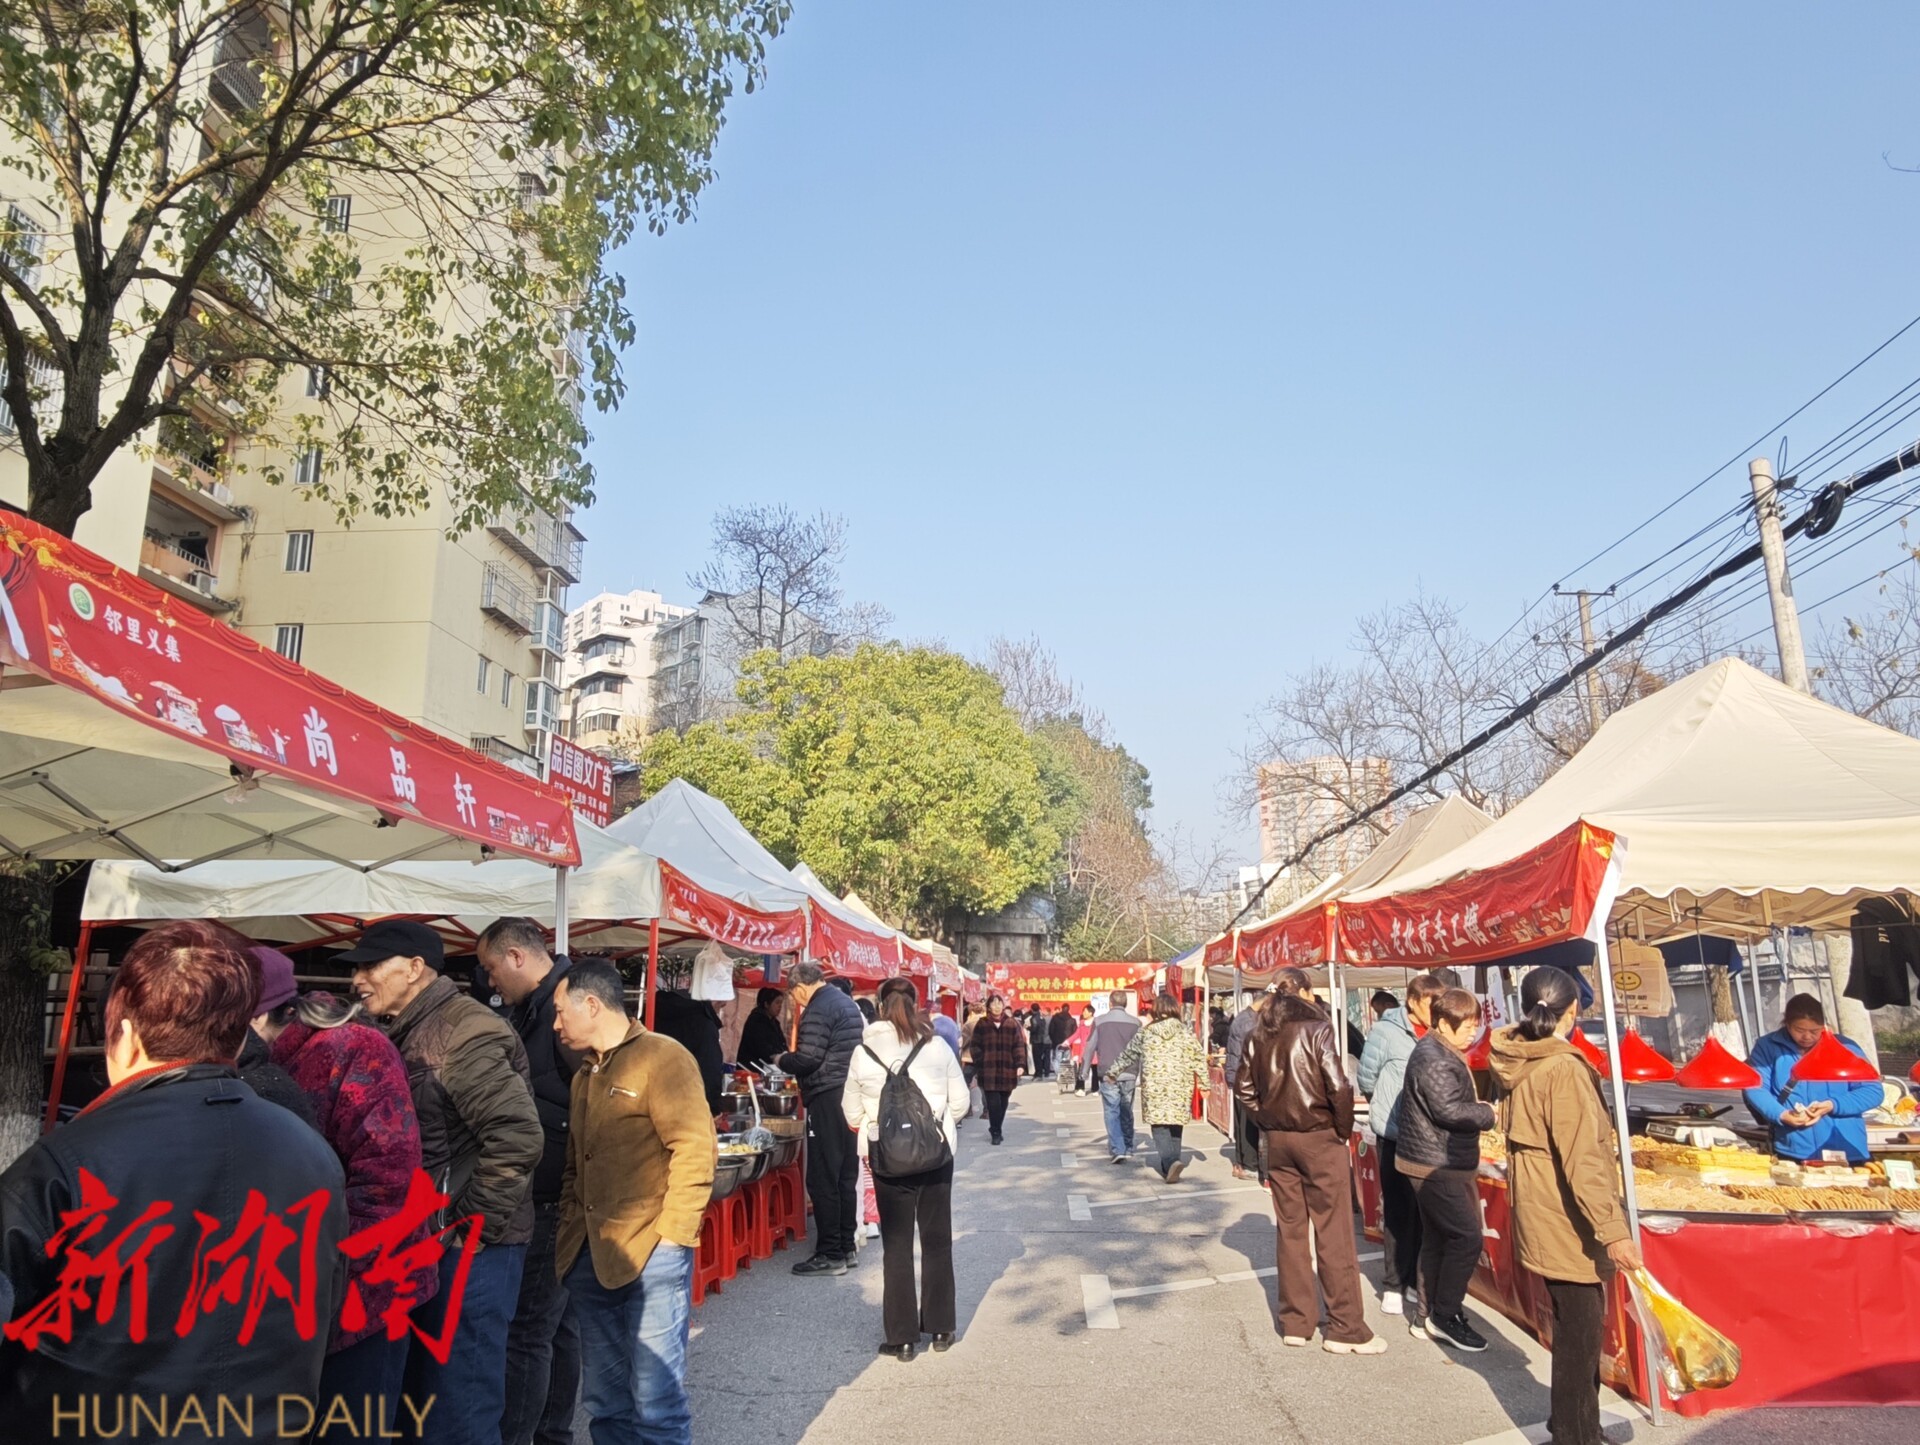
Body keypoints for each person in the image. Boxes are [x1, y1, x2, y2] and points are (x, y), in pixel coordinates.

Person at [0, 923, 348, 1438]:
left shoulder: (68, 1159)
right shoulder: (313, 1153)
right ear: (239, 1037)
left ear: (125, 1037)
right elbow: (326, 1310)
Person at [346, 919, 544, 1445]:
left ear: (415, 969)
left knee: (460, 1406)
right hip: (428, 1239)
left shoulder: (465, 1030)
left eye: (371, 966)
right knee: (424, 1399)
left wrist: (469, 1226)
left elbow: (517, 1136)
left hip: (471, 1249)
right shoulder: (403, 1027)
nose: (358, 979)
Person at [255, 950, 436, 1443]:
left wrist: (322, 1275)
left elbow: (388, 1180)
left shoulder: (355, 1047)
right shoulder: (261, 1061)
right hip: (302, 1293)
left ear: (256, 1016)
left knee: (353, 1425)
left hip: (367, 1288)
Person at [555, 957, 715, 1445]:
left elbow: (694, 1148)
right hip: (590, 1256)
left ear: (591, 1004)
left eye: (561, 1012)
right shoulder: (585, 1073)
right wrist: (570, 1233)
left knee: (656, 1405)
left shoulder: (663, 1057)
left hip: (652, 1254)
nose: (556, 1024)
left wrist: (672, 1239)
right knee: (605, 1405)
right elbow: (575, 1165)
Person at [1490, 968, 1642, 1445]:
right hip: (1566, 1218)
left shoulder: (1518, 1056)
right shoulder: (1562, 1068)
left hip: (1542, 1209)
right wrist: (1614, 1231)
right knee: (1580, 1336)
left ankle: (1577, 1425)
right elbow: (1584, 1162)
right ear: (1573, 1011)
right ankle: (1575, 1435)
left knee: (1575, 1328)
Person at [1234, 968, 1384, 1355]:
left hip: (1279, 1140)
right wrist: (1340, 1129)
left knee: (1291, 1232)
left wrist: (1267, 1119)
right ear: (1303, 993)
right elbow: (1339, 1085)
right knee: (1334, 1232)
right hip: (1319, 1137)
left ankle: (1296, 1322)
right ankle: (1345, 1327)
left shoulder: (1257, 1035)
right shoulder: (1317, 1030)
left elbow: (1243, 1088)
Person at [476, 917, 585, 1445]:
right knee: (555, 1327)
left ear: (517, 957)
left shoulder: (568, 1004)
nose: (489, 980)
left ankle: (530, 1435)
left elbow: (597, 1095)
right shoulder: (536, 1006)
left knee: (529, 1331)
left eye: (491, 968)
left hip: (553, 1193)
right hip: (555, 1187)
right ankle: (553, 1432)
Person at [842, 977, 971, 1361]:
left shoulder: (864, 1051)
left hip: (886, 1161)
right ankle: (942, 1329)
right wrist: (935, 1127)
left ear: (880, 1006)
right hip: (935, 1157)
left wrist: (878, 1129)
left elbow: (851, 1111)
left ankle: (901, 1339)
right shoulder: (936, 1045)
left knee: (896, 1246)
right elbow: (961, 1102)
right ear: (915, 1004)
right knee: (937, 1241)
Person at [1397, 987, 1497, 1353]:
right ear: (1442, 1023)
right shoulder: (1434, 1057)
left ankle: (1427, 1315)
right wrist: (1487, 1112)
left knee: (1438, 1239)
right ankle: (1446, 1314)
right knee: (1466, 1238)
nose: (1472, 1033)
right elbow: (1449, 1110)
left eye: (1474, 1025)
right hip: (1435, 1163)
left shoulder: (1438, 1049)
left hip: (1433, 1158)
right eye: (1466, 1026)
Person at [1356, 971, 1446, 1317]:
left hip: (1430, 1136)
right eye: (1430, 1003)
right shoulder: (1386, 1031)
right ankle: (1393, 1282)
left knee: (1424, 1211)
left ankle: (1414, 1281)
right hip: (1394, 1132)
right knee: (1397, 1209)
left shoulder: (1439, 1031)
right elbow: (1367, 1076)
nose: (1435, 1010)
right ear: (1413, 1001)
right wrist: (1381, 1105)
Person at [779, 960, 867, 1274]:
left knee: (823, 1176)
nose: (795, 1000)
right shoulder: (844, 1002)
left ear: (799, 987)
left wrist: (783, 1059)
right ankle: (845, 1245)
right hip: (848, 1094)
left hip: (827, 1095)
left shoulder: (818, 1007)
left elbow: (808, 1057)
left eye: (792, 994)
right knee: (845, 1174)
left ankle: (830, 1253)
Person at [1744, 993, 1883, 1164]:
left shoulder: (1845, 1047)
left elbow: (1872, 1091)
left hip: (1847, 1147)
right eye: (1799, 1030)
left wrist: (1832, 1105)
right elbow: (1755, 1087)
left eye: (1814, 1031)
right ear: (1787, 1024)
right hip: (1794, 1148)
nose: (1807, 1037)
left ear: (1824, 1026)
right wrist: (1782, 1114)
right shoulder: (1768, 1046)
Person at [1109, 992, 1208, 1181]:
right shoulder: (1185, 1033)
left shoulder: (1146, 1033)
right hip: (1180, 1085)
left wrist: (1113, 1072)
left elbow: (1128, 1055)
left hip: (1155, 1087)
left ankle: (1170, 1163)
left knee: (1159, 1126)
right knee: (1175, 1125)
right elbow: (1198, 1058)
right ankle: (1171, 1165)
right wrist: (1204, 1084)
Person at [650, 984, 727, 1115]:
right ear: (715, 1000)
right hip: (687, 1107)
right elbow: (709, 1070)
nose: (722, 1006)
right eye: (721, 1005)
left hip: (651, 1098)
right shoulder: (704, 1025)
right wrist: (713, 1110)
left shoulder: (656, 1012)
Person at [1087, 990, 1143, 1163]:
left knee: (1112, 1110)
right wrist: (1142, 1074)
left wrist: (1084, 1071)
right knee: (1126, 1110)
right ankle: (1128, 1146)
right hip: (1130, 1073)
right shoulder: (1136, 1023)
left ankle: (1118, 1148)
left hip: (1108, 1073)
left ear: (1110, 1003)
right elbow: (1142, 1051)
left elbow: (1090, 1047)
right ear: (1125, 1003)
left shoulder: (1099, 1021)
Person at [967, 993, 1029, 1143]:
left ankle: (996, 1126)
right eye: (993, 1004)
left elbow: (1018, 1045)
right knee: (993, 1103)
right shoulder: (982, 1024)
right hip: (989, 1070)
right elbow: (974, 1046)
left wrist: (1020, 1064)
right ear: (988, 1007)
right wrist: (980, 1062)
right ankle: (996, 1132)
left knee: (1003, 1102)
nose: (997, 1006)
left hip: (1008, 1070)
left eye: (999, 1003)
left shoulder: (1011, 1023)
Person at [1223, 990, 1267, 1181]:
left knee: (1242, 1123)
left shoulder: (1243, 1018)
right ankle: (1249, 1165)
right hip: (1246, 1078)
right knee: (1247, 1124)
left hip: (1239, 1076)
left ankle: (1242, 1162)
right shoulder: (1249, 1023)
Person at [736, 986, 789, 1072]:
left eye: (781, 1003)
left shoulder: (774, 1022)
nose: (780, 1006)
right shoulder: (756, 1021)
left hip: (769, 1067)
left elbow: (781, 1043)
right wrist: (775, 1056)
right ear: (766, 1004)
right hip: (753, 1068)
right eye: (777, 1003)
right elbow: (761, 1046)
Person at [1069, 1003, 1096, 1093]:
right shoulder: (1082, 1023)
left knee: (1095, 1070)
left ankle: (1095, 1088)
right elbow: (1076, 1034)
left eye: (1085, 1011)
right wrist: (1068, 1041)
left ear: (1090, 1013)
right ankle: (1080, 1088)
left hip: (1094, 1051)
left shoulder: (1097, 1023)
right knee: (1082, 1070)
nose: (1083, 1013)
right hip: (1084, 1051)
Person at [1047, 1002, 1077, 1078]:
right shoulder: (1072, 1020)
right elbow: (1075, 1033)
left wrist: (1053, 1040)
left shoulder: (1055, 1018)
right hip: (1068, 1043)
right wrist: (1070, 1041)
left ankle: (1059, 1075)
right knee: (1066, 1060)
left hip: (1057, 1043)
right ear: (1068, 1009)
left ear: (1061, 1008)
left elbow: (1051, 1031)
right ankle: (1064, 1076)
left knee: (1057, 1060)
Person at [1027, 1003, 1054, 1079]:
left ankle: (1038, 1073)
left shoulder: (1034, 1018)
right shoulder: (1042, 1017)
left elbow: (1034, 1028)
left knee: (1036, 1057)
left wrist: (1028, 1028)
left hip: (1036, 1040)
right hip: (1043, 1039)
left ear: (1032, 1009)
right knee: (1042, 1057)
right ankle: (1042, 1072)